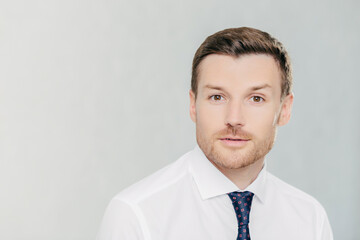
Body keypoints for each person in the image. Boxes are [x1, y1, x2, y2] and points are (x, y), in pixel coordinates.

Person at [96, 27, 333, 240]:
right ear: (193, 105)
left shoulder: (310, 219)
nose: (234, 118)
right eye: (217, 97)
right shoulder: (137, 215)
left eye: (256, 98)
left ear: (284, 110)